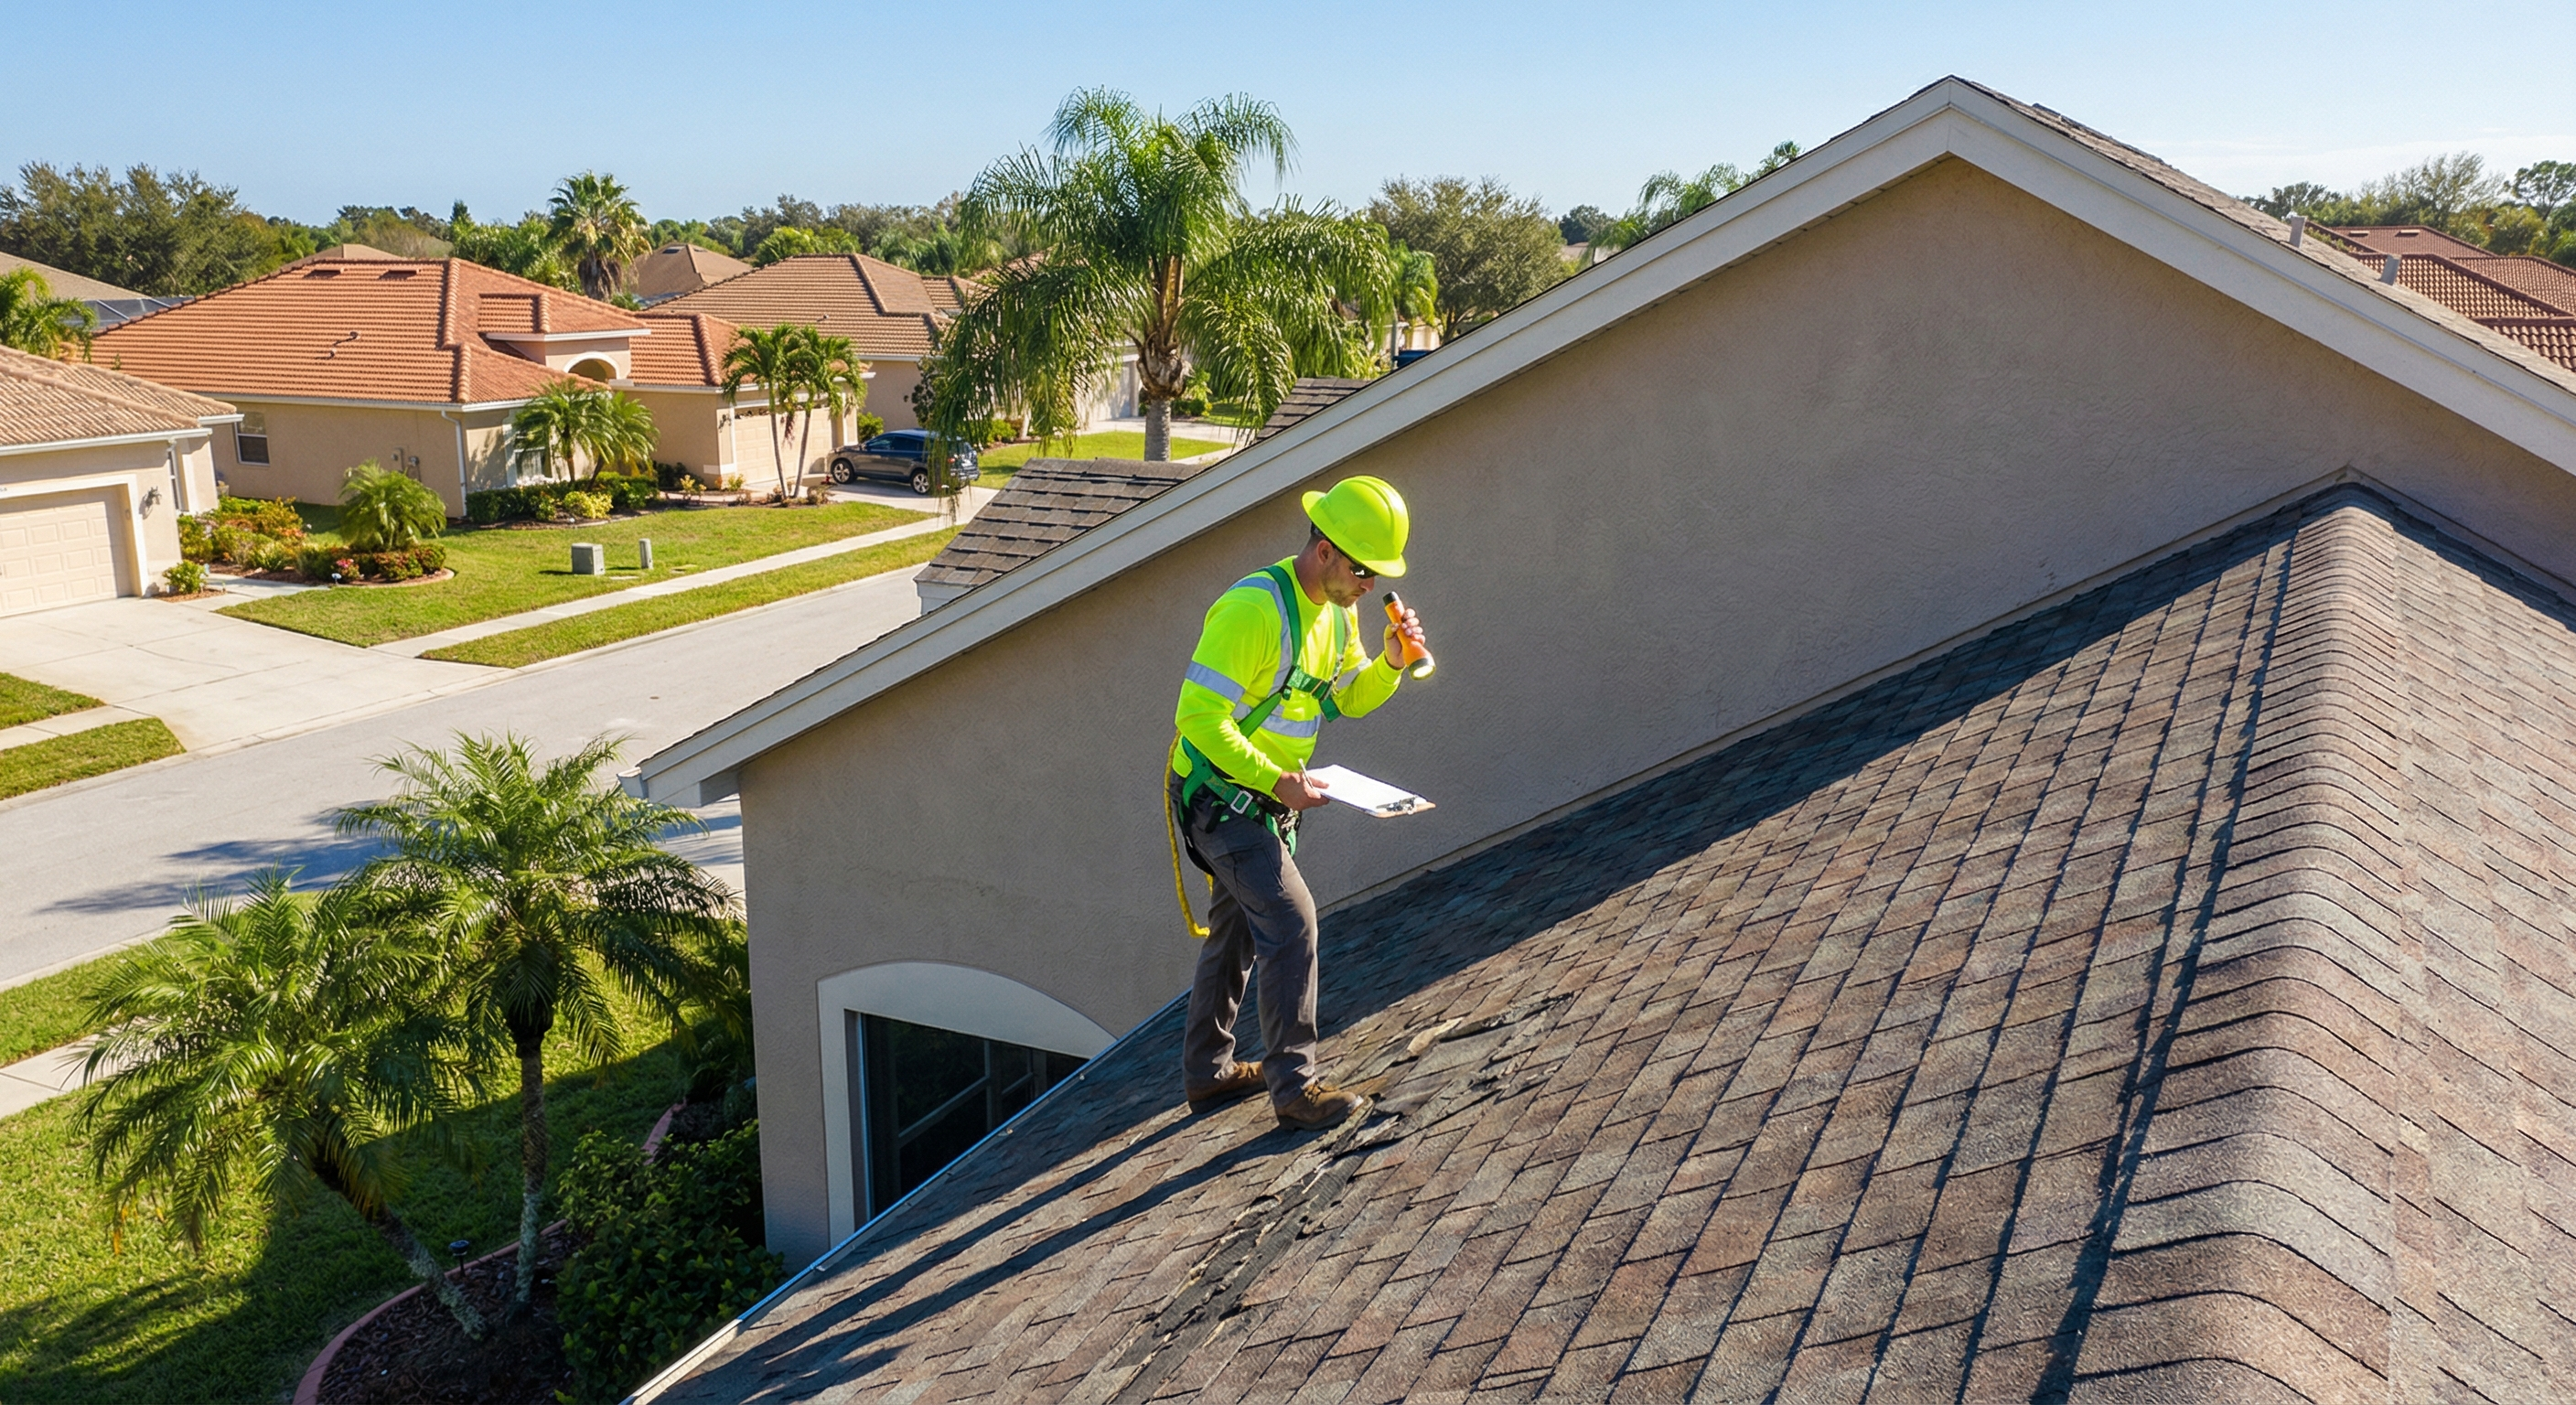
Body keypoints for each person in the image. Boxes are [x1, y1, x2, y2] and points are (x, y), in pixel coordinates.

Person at [1169, 475, 1427, 1129]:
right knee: (1291, 921)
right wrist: (1274, 779)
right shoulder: (1254, 610)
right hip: (1218, 796)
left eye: (1377, 575)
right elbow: (1199, 717)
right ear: (1325, 552)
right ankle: (1295, 1089)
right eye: (1364, 570)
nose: (1371, 586)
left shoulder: (1340, 615)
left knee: (1236, 930)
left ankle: (1209, 1074)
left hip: (1261, 799)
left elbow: (1342, 700)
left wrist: (1391, 664)